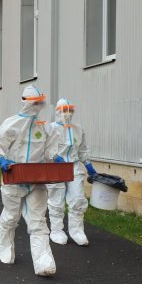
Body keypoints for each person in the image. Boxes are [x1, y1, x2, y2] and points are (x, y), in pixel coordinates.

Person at [0, 85, 61, 277]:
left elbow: (49, 152)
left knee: (38, 221)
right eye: (34, 103)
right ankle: (5, 247)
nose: (37, 107)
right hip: (14, 177)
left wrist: (56, 158)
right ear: (25, 103)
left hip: (36, 180)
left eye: (39, 104)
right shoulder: (12, 123)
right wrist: (1, 158)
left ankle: (43, 263)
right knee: (11, 216)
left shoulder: (45, 126)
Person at [46, 98, 97, 246]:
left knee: (77, 199)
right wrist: (54, 157)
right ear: (57, 112)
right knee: (57, 201)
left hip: (74, 167)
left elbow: (82, 149)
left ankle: (77, 231)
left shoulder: (78, 129)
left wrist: (88, 164)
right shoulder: (50, 129)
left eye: (70, 110)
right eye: (64, 110)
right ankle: (56, 231)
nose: (68, 114)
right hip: (56, 167)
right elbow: (44, 149)